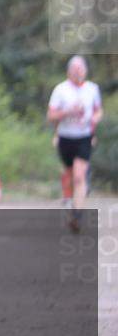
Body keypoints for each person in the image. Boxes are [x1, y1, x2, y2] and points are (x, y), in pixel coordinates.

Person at [46, 55, 103, 231]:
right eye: (74, 68)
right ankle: (72, 202)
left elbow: (98, 110)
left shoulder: (92, 89)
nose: (78, 72)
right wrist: (68, 112)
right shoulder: (60, 90)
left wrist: (94, 119)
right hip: (65, 137)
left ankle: (77, 215)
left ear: (85, 71)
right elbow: (51, 116)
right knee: (70, 175)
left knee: (79, 176)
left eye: (81, 68)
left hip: (84, 137)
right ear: (69, 71)